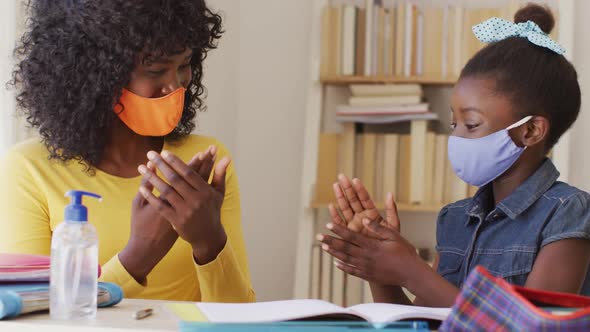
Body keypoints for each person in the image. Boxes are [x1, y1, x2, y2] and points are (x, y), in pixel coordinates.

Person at [317, 3, 590, 307]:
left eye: (471, 124)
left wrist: (411, 270)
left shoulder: (568, 212)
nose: (456, 137)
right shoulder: (454, 218)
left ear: (530, 131)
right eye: (453, 123)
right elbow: (424, 323)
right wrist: (380, 266)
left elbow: (533, 326)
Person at [0, 0, 254, 302]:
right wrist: (139, 254)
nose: (174, 85)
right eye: (156, 70)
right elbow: (31, 316)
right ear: (96, 73)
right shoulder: (28, 169)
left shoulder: (203, 162)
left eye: (184, 65)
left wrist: (209, 241)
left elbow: (240, 316)